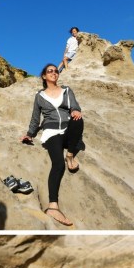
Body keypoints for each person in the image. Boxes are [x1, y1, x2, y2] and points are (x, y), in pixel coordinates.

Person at [21, 64, 84, 227]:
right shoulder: (40, 96)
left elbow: (75, 106)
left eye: (56, 71)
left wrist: (75, 111)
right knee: (58, 165)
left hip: (68, 128)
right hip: (51, 131)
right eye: (50, 71)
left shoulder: (66, 91)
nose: (54, 73)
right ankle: (53, 207)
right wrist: (30, 134)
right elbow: (36, 118)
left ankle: (70, 155)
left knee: (79, 119)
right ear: (43, 76)